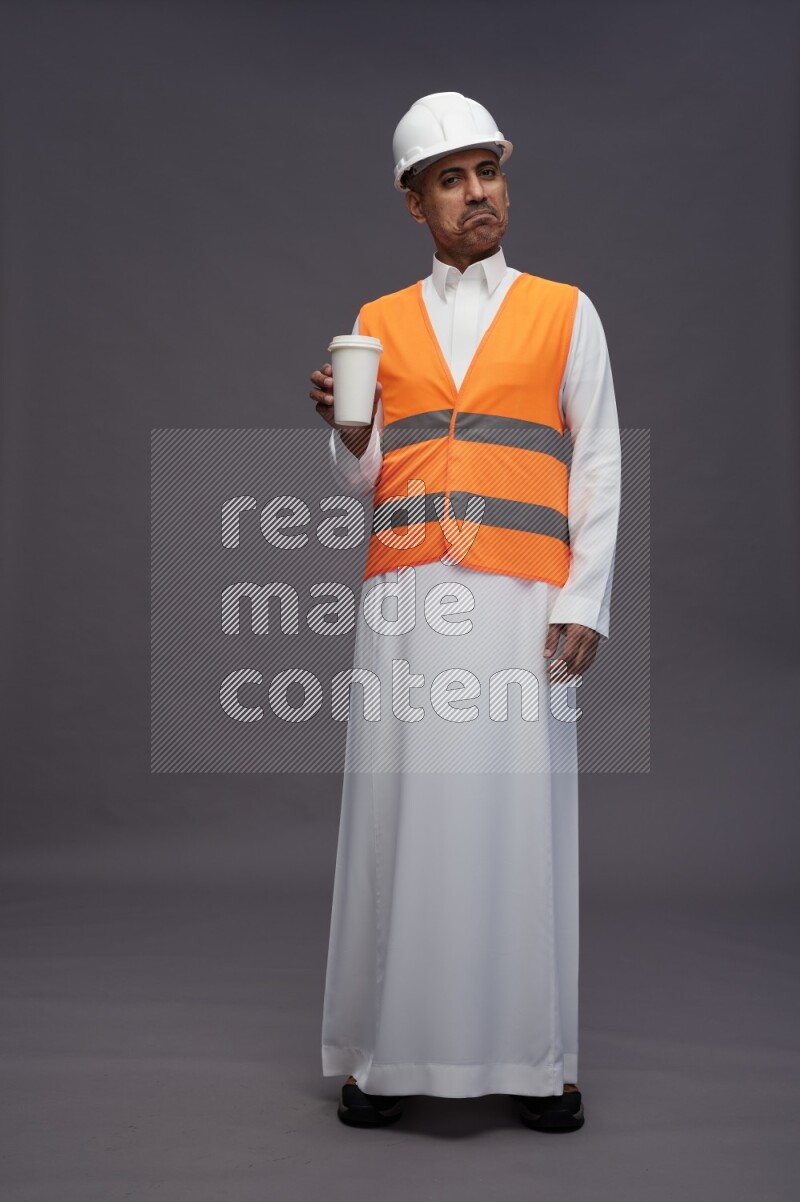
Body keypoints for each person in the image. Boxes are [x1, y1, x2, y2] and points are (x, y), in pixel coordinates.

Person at [309, 91, 621, 1132]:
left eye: (487, 170)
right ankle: (381, 1055)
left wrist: (585, 600)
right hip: (406, 598)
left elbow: (599, 460)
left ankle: (540, 1060)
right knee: (401, 813)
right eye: (451, 177)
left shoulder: (565, 310)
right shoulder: (376, 322)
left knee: (517, 819)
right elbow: (361, 484)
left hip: (522, 596)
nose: (478, 192)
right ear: (415, 204)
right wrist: (348, 436)